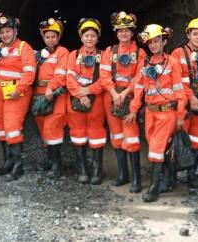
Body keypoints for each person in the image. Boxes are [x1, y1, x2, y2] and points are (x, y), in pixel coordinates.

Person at [124, 24, 186, 203]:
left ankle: (154, 188)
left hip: (167, 113)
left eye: (157, 41)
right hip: (150, 114)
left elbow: (179, 90)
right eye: (150, 42)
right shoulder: (145, 64)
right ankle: (170, 180)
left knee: (156, 149)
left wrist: (180, 115)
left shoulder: (172, 63)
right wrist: (133, 110)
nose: (153, 45)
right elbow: (138, 88)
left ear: (163, 41)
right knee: (159, 148)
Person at [99, 11, 146, 192]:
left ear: (132, 32)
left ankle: (136, 179)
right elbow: (104, 75)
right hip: (111, 97)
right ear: (116, 32)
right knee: (117, 137)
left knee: (132, 137)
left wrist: (125, 92)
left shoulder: (140, 52)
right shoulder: (109, 52)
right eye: (120, 30)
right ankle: (123, 174)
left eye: (127, 30)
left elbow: (140, 77)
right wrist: (113, 92)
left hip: (129, 96)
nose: (124, 34)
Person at [0, 12, 37, 181]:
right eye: (2, 32)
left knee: (12, 128)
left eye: (8, 31)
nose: (5, 35)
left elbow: (29, 72)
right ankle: (7, 163)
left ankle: (18, 166)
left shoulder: (24, 47)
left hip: (16, 93)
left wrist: (20, 89)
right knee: (2, 129)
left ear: (15, 31)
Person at [170, 17, 198, 190]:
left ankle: (191, 175)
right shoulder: (177, 54)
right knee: (177, 139)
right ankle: (171, 176)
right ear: (188, 34)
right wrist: (190, 97)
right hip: (184, 103)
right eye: (195, 34)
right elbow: (176, 80)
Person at [66, 18, 107, 185]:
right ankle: (82, 170)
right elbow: (69, 78)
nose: (90, 39)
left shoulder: (104, 56)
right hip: (77, 100)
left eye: (93, 36)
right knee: (78, 134)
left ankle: (97, 171)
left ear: (97, 38)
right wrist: (81, 95)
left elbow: (105, 78)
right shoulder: (73, 55)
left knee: (96, 134)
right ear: (81, 37)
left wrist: (90, 91)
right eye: (86, 36)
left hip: (96, 100)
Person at [33, 18, 70, 177]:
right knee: (43, 130)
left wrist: (50, 88)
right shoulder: (39, 54)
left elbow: (61, 74)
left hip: (56, 96)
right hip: (39, 96)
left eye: (53, 36)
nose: (50, 39)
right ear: (43, 38)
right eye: (47, 37)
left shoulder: (63, 52)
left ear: (59, 37)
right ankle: (50, 160)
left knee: (52, 128)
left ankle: (57, 165)